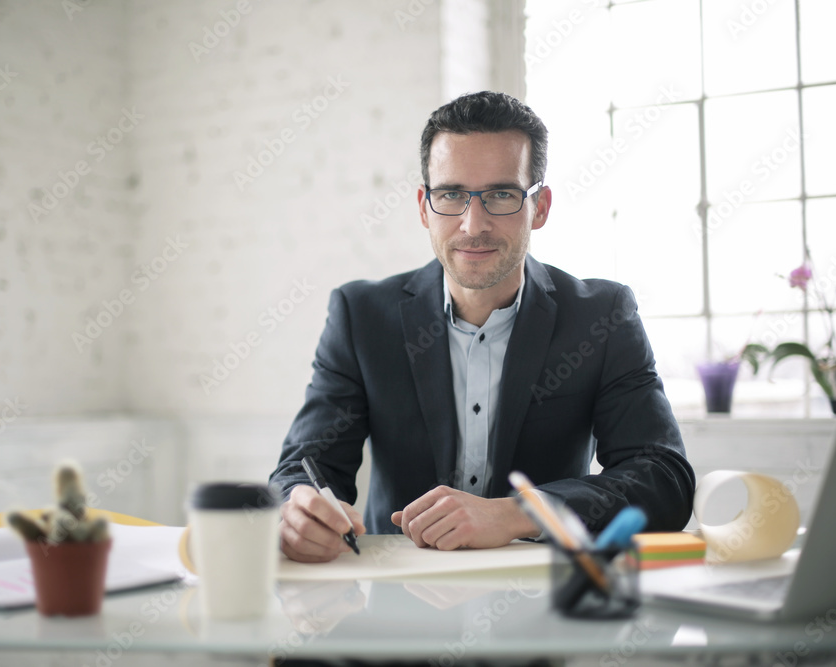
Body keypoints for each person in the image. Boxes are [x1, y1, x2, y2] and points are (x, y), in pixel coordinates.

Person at [268, 91, 695, 563]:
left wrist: (517, 514)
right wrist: (297, 508)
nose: (473, 225)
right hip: (401, 603)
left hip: (543, 604)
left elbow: (663, 479)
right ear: (425, 207)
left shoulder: (602, 315)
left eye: (501, 195)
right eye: (451, 194)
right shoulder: (361, 316)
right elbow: (304, 467)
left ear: (541, 206)